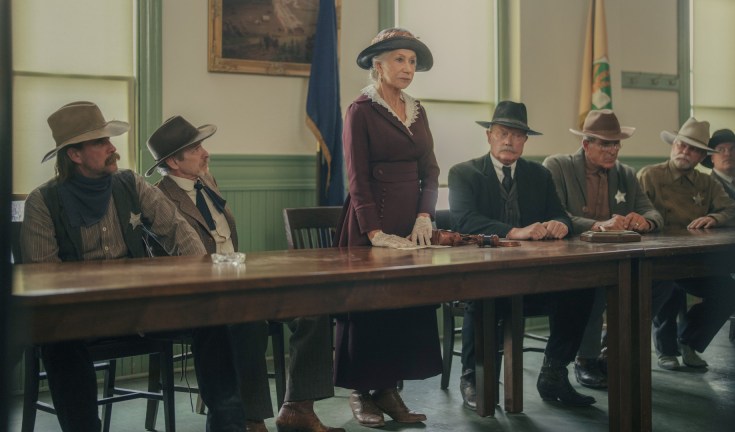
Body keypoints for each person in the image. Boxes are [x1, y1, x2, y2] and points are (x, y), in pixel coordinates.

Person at [20, 101, 246, 432]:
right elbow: (43, 277)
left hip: (140, 309)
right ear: (75, 155)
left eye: (109, 140)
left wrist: (202, 283)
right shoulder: (42, 202)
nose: (113, 148)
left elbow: (179, 233)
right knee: (59, 341)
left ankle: (228, 425)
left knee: (211, 318)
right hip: (79, 316)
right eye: (100, 143)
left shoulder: (131, 184)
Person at [145, 115, 344, 432]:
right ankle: (251, 419)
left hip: (239, 280)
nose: (206, 153)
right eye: (196, 148)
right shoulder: (158, 198)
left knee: (312, 306)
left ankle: (298, 407)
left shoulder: (207, 182)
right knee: (249, 322)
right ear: (173, 161)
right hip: (196, 294)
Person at [448, 100, 596, 410]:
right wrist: (513, 231)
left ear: (525, 141)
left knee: (581, 289)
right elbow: (464, 221)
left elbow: (561, 214)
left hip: (531, 281)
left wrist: (560, 223)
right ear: (489, 135)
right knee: (484, 293)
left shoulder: (539, 175)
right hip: (482, 278)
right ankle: (473, 379)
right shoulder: (464, 173)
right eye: (502, 133)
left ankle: (554, 373)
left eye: (517, 136)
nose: (509, 141)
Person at [333, 28, 442, 428]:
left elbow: (431, 169)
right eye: (400, 59)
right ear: (378, 64)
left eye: (412, 61)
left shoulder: (418, 110)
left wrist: (425, 214)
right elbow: (357, 179)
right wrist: (375, 233)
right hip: (369, 226)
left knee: (404, 306)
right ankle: (361, 392)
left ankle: (390, 390)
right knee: (368, 310)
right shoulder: (359, 110)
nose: (408, 68)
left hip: (411, 225)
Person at [543, 109, 666, 389]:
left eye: (617, 144)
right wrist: (600, 225)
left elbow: (654, 213)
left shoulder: (626, 174)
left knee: (661, 282)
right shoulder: (558, 166)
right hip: (570, 257)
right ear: (586, 144)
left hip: (617, 256)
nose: (613, 150)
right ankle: (585, 359)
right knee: (596, 284)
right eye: (605, 144)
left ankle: (612, 352)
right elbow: (558, 214)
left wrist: (645, 221)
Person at [637, 117, 735, 370]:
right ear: (673, 145)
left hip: (696, 259)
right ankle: (666, 350)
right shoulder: (649, 176)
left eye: (693, 149)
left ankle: (689, 341)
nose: (685, 152)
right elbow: (635, 213)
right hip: (657, 258)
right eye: (682, 145)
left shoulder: (707, 182)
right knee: (666, 287)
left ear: (701, 156)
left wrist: (714, 217)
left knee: (730, 290)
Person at [701, 128, 735, 209]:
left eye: (733, 149)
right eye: (721, 149)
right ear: (712, 157)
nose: (728, 153)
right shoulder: (705, 190)